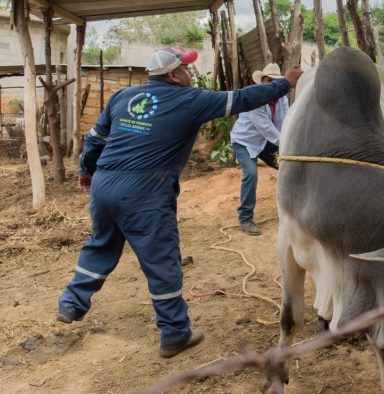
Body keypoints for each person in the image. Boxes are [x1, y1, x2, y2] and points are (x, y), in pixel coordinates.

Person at [57, 46, 303, 359]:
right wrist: (287, 83)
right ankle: (175, 333)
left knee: (101, 245)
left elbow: (94, 140)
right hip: (145, 190)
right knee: (162, 262)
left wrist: (86, 172)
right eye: (186, 69)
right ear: (174, 75)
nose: (190, 74)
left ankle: (71, 303)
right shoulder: (190, 99)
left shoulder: (122, 97)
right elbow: (241, 98)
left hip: (105, 184)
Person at [230, 63, 289, 236]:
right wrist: (287, 143)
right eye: (269, 81)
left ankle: (290, 209)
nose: (272, 85)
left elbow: (286, 121)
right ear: (262, 81)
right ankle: (245, 218)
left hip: (264, 142)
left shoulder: (282, 99)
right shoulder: (256, 99)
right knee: (251, 174)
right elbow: (266, 128)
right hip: (244, 142)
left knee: (288, 166)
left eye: (276, 82)